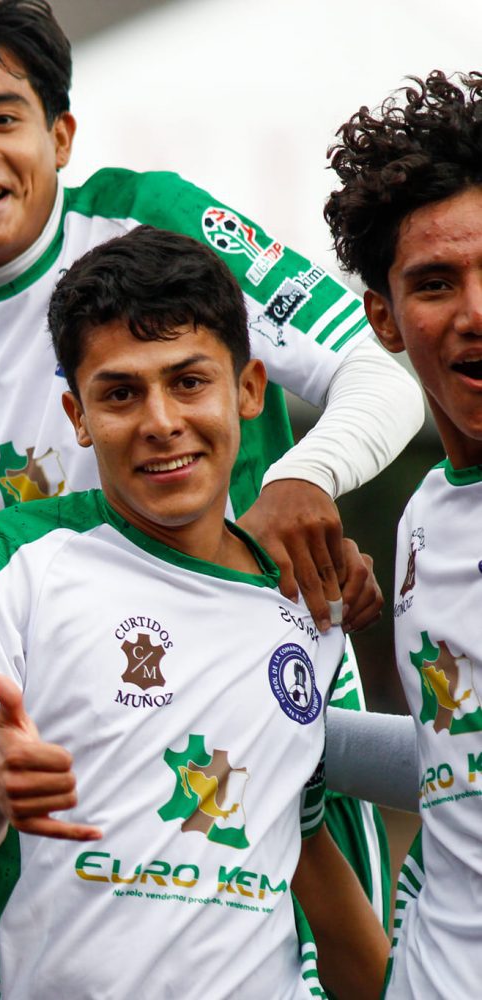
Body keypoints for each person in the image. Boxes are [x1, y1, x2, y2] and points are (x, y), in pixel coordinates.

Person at [0, 0, 413, 939]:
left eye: (2, 117)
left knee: (333, 963)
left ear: (60, 135)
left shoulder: (155, 218)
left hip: (258, 688)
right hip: (42, 747)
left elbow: (380, 375)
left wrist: (304, 481)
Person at [0, 225, 388, 998]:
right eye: (120, 393)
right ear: (77, 415)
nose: (160, 421)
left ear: (249, 390)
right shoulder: (6, 558)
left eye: (189, 382)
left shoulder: (308, 598)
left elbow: (308, 851)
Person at [324, 69, 482, 998]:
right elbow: (452, 765)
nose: (475, 313)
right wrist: (284, 731)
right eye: (435, 283)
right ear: (383, 318)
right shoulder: (424, 513)